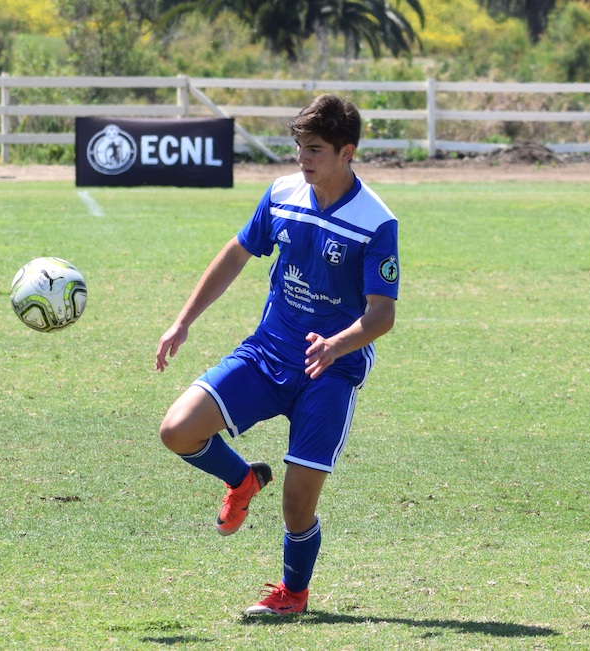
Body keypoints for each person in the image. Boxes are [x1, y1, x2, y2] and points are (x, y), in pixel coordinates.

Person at [155, 94, 399, 616]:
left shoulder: (376, 222)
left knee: (297, 504)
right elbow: (237, 252)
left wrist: (336, 345)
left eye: (315, 149)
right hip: (269, 351)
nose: (303, 158)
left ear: (346, 151)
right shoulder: (283, 193)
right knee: (177, 429)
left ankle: (293, 594)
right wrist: (183, 320)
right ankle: (242, 478)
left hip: (332, 371)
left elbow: (382, 316)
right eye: (299, 147)